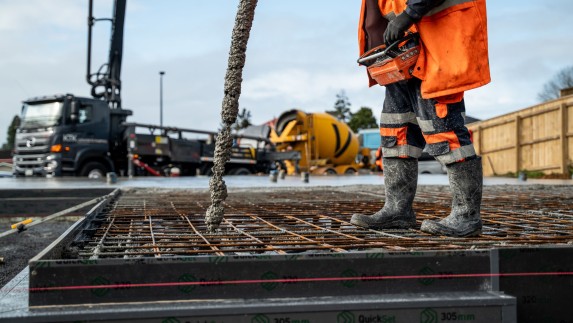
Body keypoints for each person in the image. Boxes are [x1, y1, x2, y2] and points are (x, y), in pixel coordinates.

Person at [350, 0, 490, 237]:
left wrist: (408, 15)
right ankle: (397, 210)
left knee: (446, 133)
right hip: (401, 49)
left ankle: (467, 216)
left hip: (438, 44)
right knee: (397, 131)